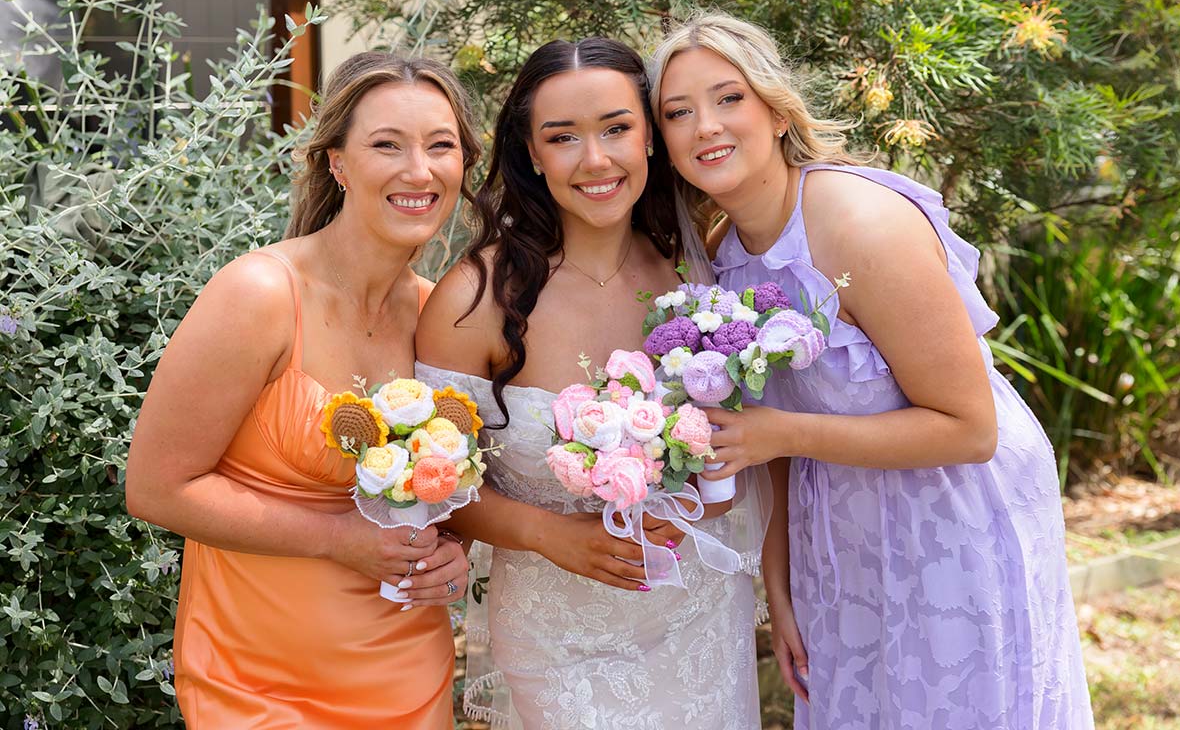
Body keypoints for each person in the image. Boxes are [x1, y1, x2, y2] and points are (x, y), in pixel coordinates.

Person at [650, 13, 1094, 729]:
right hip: (840, 528)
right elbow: (772, 446)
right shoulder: (722, 254)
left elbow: (970, 428)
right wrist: (782, 585)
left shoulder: (859, 223)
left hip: (953, 513)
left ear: (773, 106)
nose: (706, 126)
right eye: (678, 111)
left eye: (728, 98)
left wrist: (779, 432)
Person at [125, 52, 481, 728]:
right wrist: (332, 537)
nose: (420, 170)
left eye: (442, 146)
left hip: (407, 670)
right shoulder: (258, 295)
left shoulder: (441, 318)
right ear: (338, 163)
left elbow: (445, 505)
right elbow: (154, 487)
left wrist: (448, 558)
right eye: (387, 145)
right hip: (258, 684)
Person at [416, 38, 762, 728]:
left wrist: (705, 499)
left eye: (616, 128)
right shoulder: (474, 299)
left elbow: (740, 452)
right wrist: (546, 533)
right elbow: (439, 482)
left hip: (699, 618)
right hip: (558, 638)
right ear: (533, 154)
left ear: (651, 140)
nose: (595, 159)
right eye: (563, 137)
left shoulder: (702, 277)